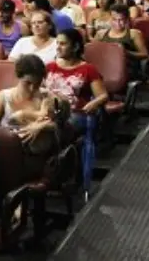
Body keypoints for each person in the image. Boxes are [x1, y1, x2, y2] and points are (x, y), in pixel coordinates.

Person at [44, 29, 108, 197]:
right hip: (50, 112)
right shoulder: (49, 67)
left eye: (63, 44)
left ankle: (60, 177)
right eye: (57, 43)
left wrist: (93, 103)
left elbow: (103, 96)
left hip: (76, 113)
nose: (58, 47)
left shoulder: (88, 69)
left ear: (76, 46)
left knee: (52, 130)